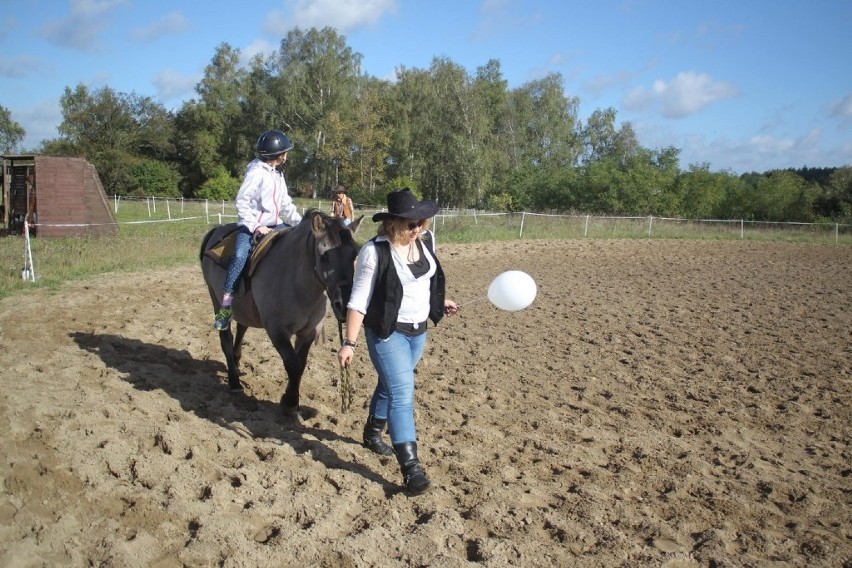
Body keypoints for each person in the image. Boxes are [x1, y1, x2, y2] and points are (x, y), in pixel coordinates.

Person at [338, 188, 459, 495]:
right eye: (409, 223)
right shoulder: (374, 251)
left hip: (419, 331)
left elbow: (425, 279)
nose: (417, 227)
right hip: (386, 331)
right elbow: (358, 299)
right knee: (403, 392)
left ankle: (372, 433)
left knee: (390, 384)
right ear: (392, 222)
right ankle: (411, 469)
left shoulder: (426, 240)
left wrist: (441, 301)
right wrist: (349, 343)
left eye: (420, 221)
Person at [213, 130, 302, 330]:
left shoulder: (278, 174)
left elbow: (286, 204)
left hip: (276, 224)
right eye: (285, 152)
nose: (287, 155)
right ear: (277, 154)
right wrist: (255, 226)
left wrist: (301, 223)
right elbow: (242, 201)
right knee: (239, 255)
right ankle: (225, 309)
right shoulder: (255, 172)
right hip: (252, 225)